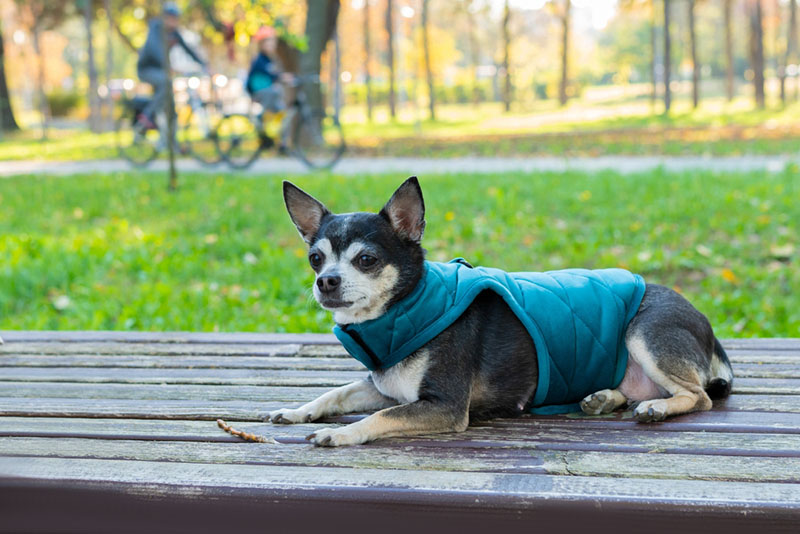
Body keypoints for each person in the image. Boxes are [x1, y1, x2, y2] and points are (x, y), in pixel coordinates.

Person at [136, 2, 206, 128]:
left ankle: (169, 136)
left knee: (170, 103)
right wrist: (168, 66)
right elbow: (153, 49)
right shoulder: (155, 28)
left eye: (176, 18)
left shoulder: (174, 33)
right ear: (164, 17)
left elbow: (188, 49)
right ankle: (148, 115)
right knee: (166, 83)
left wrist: (204, 64)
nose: (173, 22)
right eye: (171, 18)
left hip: (162, 70)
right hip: (147, 69)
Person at [246, 26, 295, 151]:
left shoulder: (270, 59)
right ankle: (264, 134)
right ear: (262, 44)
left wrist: (282, 77)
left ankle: (281, 143)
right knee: (276, 97)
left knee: (283, 113)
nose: (272, 45)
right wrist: (281, 77)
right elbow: (267, 74)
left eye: (273, 42)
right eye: (268, 42)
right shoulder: (260, 60)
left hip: (268, 92)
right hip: (262, 92)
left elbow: (273, 74)